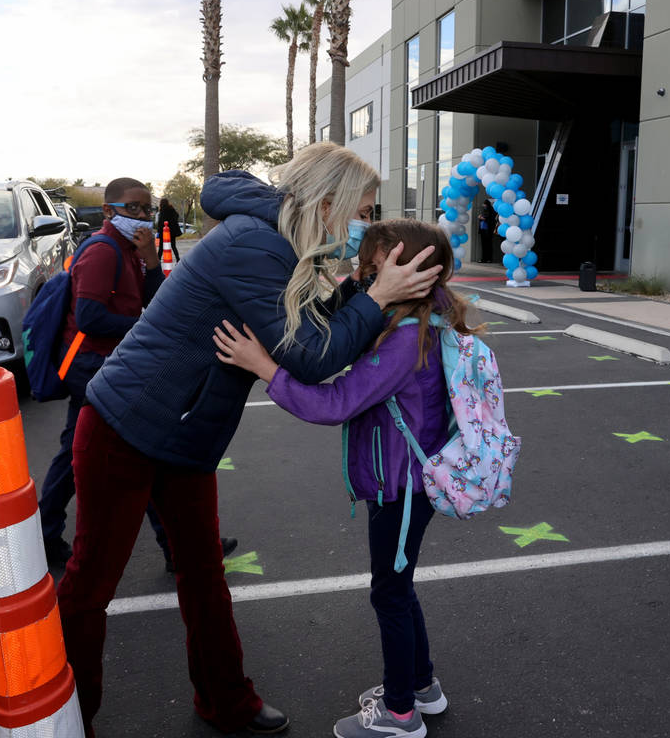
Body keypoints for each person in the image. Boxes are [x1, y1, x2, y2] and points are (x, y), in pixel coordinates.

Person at [55, 143, 443, 737]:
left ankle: (226, 701)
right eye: (363, 209)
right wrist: (377, 298)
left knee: (204, 572)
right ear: (330, 202)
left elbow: (306, 325)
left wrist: (361, 291)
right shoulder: (255, 245)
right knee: (91, 582)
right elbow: (311, 358)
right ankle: (62, 716)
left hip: (185, 436)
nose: (366, 222)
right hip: (125, 427)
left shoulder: (284, 243)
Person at [213, 219, 471, 738]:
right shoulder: (425, 318)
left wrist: (265, 367)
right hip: (407, 480)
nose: (362, 271)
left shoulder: (404, 340)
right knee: (398, 587)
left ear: (409, 269)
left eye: (373, 264)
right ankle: (422, 687)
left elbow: (336, 403)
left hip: (400, 487)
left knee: (390, 594)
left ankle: (401, 715)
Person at [37, 178, 166, 565]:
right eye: (133, 208)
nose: (142, 216)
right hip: (91, 366)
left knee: (81, 451)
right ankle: (176, 545)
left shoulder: (130, 250)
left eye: (147, 208)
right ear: (109, 211)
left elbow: (153, 302)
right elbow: (91, 318)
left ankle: (44, 533)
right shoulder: (103, 252)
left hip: (107, 363)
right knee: (134, 448)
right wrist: (145, 330)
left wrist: (152, 259)